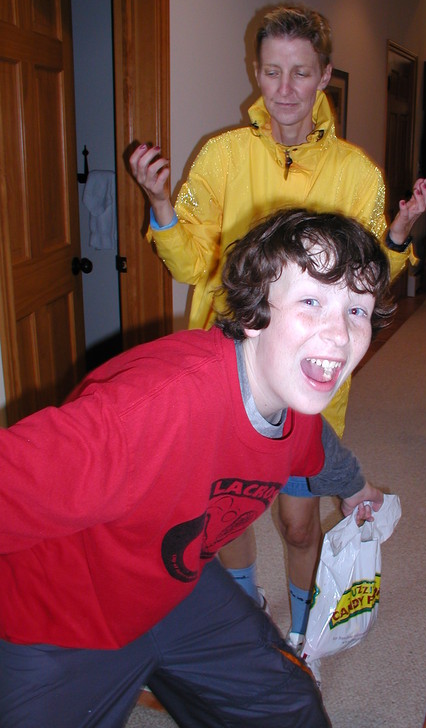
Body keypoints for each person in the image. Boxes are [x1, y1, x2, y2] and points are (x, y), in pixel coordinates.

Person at [0, 208, 391, 728]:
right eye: (311, 301)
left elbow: (318, 446)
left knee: (291, 709)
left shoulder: (292, 402)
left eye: (357, 309)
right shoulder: (145, 414)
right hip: (61, 617)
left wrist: (357, 489)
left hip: (173, 589)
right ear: (254, 313)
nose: (339, 334)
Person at [129, 3, 426, 653]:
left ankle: (301, 634)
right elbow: (192, 263)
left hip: (312, 370)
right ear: (256, 72)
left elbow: (368, 283)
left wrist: (398, 239)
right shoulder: (223, 155)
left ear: (324, 75)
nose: (285, 89)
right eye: (272, 72)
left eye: (300, 72)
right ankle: (247, 613)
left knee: (298, 521)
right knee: (226, 512)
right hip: (229, 366)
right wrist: (160, 206)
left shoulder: (355, 173)